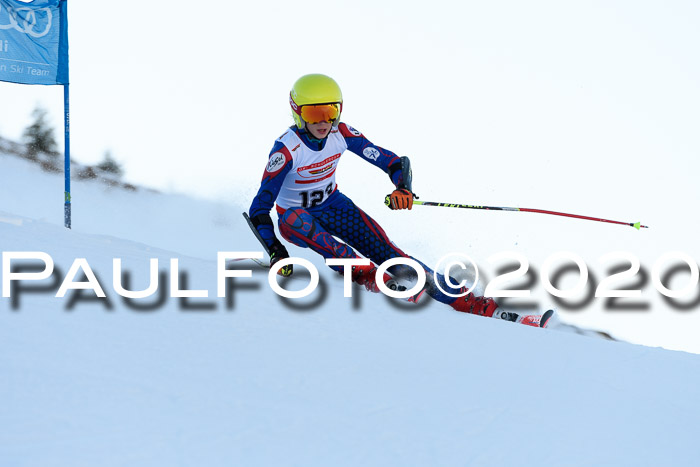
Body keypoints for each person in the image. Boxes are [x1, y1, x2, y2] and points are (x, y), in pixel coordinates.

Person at [247, 73, 503, 318]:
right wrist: (276, 250)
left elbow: (392, 162)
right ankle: (367, 275)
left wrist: (403, 188)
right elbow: (259, 208)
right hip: (296, 220)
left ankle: (473, 304)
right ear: (297, 112)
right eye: (314, 113)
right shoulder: (286, 150)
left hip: (334, 206)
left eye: (331, 112)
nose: (323, 122)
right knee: (300, 222)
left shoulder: (342, 134)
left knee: (394, 257)